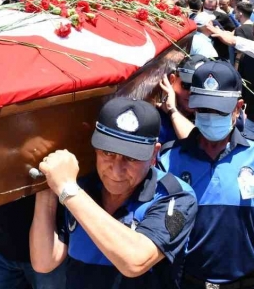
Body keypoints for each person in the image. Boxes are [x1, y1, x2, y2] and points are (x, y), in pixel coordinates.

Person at [158, 61, 254, 289]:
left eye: (219, 110)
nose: (210, 117)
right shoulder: (169, 158)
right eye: (204, 110)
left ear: (238, 107)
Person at [29, 97, 197, 287]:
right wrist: (46, 187)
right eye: (107, 153)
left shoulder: (176, 198)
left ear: (153, 154)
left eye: (131, 158)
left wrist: (68, 190)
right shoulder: (82, 186)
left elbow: (135, 260)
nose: (116, 170)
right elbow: (45, 261)